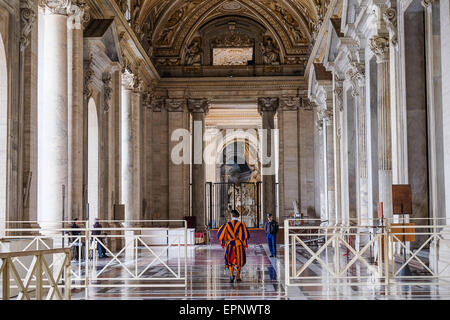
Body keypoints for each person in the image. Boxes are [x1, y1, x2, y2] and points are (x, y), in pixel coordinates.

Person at [217, 209, 250, 283]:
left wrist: (222, 243)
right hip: (239, 244)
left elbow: (222, 235)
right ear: (238, 216)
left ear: (231, 216)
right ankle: (238, 276)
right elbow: (244, 236)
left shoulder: (227, 225)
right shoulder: (241, 225)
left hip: (230, 244)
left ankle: (232, 274)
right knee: (239, 260)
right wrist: (246, 245)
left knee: (229, 259)